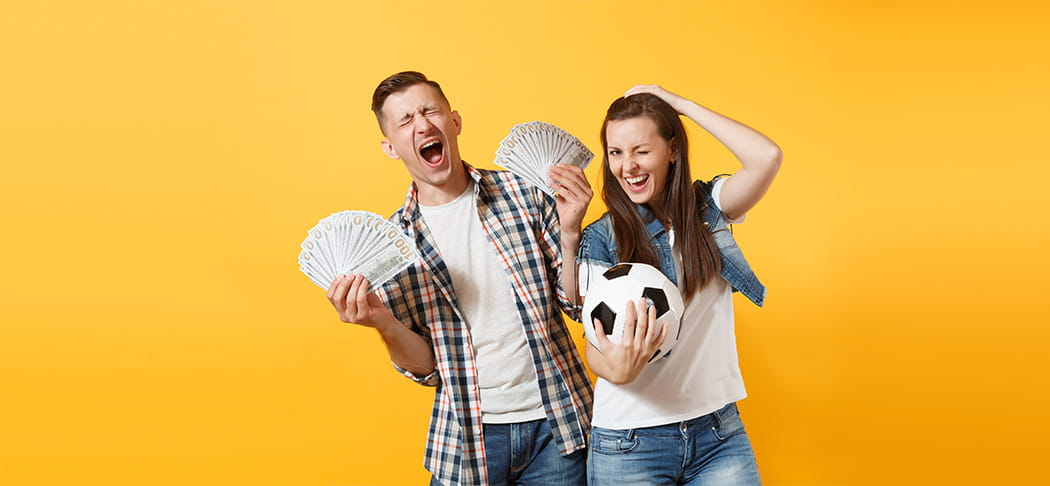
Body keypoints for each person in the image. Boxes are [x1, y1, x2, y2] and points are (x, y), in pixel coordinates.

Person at [325, 71, 594, 486]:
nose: (421, 124)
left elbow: (576, 305)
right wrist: (382, 321)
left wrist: (571, 232)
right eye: (405, 119)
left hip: (555, 426)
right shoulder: (394, 249)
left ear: (454, 121)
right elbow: (427, 368)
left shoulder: (523, 194)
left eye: (429, 110)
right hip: (468, 438)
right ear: (391, 147)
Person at [574, 85, 782, 485]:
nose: (627, 167)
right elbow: (595, 345)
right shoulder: (601, 238)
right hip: (630, 444)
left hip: (717, 433)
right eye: (616, 153)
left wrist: (682, 106)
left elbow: (767, 157)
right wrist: (615, 368)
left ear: (672, 150)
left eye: (641, 150)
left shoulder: (709, 209)